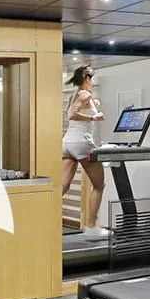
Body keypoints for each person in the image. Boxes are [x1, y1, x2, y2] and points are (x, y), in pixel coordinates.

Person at [61, 65, 110, 238]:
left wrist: (93, 106)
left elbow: (74, 110)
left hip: (67, 143)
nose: (93, 81)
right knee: (99, 185)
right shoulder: (85, 94)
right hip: (82, 143)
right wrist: (94, 117)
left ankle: (43, 219)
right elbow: (72, 115)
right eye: (92, 78)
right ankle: (91, 226)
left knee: (62, 187)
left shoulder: (74, 94)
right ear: (87, 79)